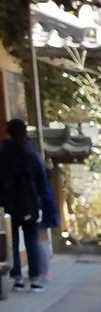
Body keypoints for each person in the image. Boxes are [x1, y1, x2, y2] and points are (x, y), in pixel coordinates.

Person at [0, 118, 49, 290]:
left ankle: (17, 278)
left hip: (8, 204)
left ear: (8, 132)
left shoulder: (3, 152)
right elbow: (42, 178)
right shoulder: (31, 152)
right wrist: (42, 201)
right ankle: (35, 279)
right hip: (30, 203)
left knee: (11, 242)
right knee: (31, 240)